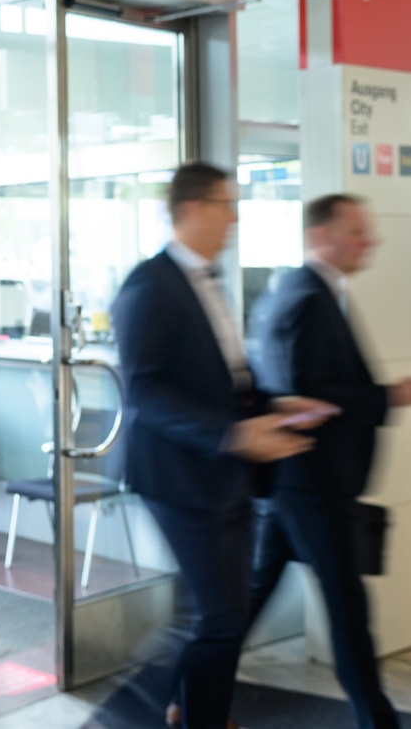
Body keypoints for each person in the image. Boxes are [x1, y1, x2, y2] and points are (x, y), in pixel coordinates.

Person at [112, 162, 332, 729]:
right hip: (179, 475)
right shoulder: (149, 285)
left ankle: (196, 711)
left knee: (225, 616)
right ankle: (133, 714)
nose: (235, 217)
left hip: (226, 472)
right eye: (226, 204)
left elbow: (228, 377)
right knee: (217, 618)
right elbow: (145, 390)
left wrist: (271, 406)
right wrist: (232, 433)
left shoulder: (210, 281)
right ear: (192, 209)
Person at [244, 194, 411, 729]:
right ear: (322, 236)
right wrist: (391, 396)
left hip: (303, 480)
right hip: (313, 481)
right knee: (348, 610)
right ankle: (376, 720)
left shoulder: (312, 290)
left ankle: (185, 687)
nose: (370, 241)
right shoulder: (306, 295)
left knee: (251, 597)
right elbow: (306, 390)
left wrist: (385, 394)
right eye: (357, 232)